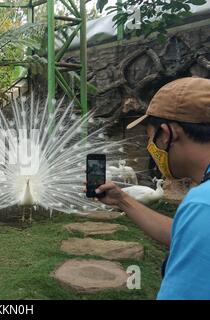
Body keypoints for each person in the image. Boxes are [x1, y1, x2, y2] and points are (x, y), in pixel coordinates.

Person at [88, 77, 210, 300]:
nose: (150, 147)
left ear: (167, 134)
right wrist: (123, 200)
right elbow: (188, 234)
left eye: (150, 138)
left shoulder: (203, 203)